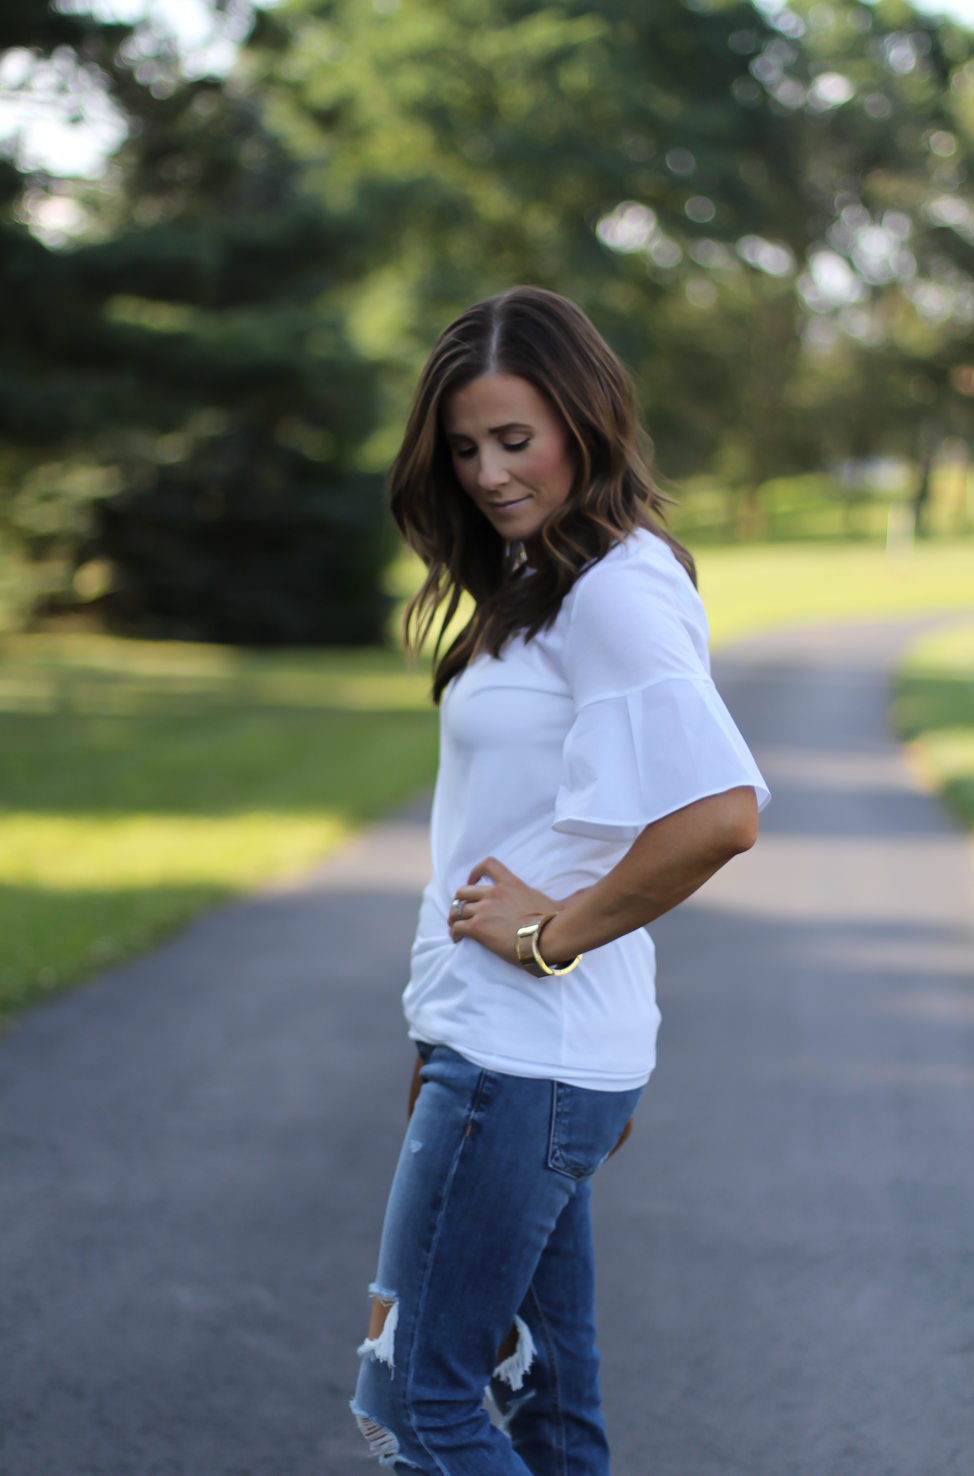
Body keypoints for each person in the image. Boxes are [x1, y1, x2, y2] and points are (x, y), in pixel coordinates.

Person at [351, 286, 769, 1473]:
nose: (486, 472)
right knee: (548, 1413)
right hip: (512, 1056)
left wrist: (549, 939)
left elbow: (717, 816)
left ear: (583, 420)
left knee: (418, 1410)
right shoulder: (549, 577)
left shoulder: (615, 590)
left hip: (521, 1057)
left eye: (513, 439)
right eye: (465, 446)